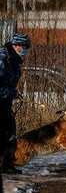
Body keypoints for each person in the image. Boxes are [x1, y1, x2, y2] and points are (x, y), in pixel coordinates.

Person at [0, 33, 31, 175]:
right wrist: (9, 92)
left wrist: (13, 92)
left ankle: (7, 165)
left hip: (5, 103)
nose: (25, 51)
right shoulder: (3, 58)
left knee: (10, 132)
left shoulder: (14, 61)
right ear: (16, 46)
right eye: (24, 47)